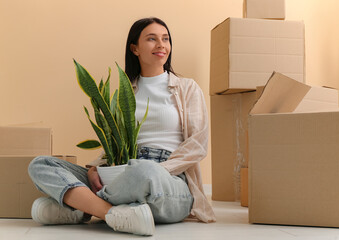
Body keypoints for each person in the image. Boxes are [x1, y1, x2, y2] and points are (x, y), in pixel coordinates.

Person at [28, 17, 216, 236]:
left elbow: (197, 145)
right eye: (152, 39)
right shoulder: (125, 92)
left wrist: (157, 169)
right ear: (135, 48)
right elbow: (114, 141)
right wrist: (95, 169)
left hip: (168, 181)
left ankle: (81, 208)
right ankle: (113, 213)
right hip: (122, 172)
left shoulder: (187, 88)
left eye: (165, 39)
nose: (161, 45)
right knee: (40, 164)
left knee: (143, 170)